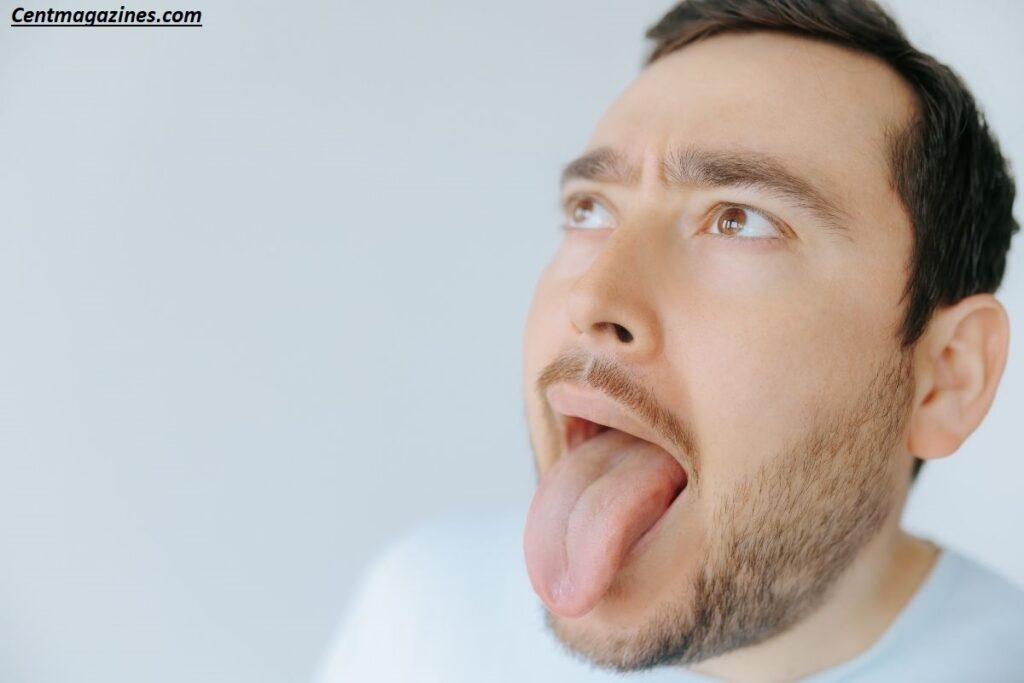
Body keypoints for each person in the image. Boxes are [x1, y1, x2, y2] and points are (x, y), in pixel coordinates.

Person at [315, 1, 1024, 681]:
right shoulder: (421, 616)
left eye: (739, 220)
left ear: (947, 377)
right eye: (590, 210)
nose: (592, 299)